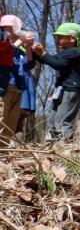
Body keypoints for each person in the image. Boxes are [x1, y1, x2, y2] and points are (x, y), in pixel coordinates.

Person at [32, 22, 80, 141]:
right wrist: (35, 52)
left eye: (61, 37)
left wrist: (43, 53)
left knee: (62, 119)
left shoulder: (74, 51)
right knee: (53, 119)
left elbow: (58, 64)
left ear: (72, 39)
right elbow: (49, 60)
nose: (58, 39)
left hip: (71, 90)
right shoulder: (63, 53)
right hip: (61, 91)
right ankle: (53, 143)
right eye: (57, 37)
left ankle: (65, 145)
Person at [0, 15, 34, 146]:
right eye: (8, 29)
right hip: (5, 87)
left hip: (18, 89)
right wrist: (21, 40)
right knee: (2, 119)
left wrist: (28, 46)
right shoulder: (6, 47)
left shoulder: (20, 50)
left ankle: (3, 152)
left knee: (11, 123)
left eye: (15, 29)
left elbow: (29, 64)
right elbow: (9, 51)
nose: (12, 33)